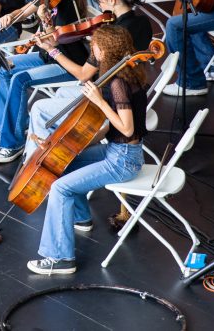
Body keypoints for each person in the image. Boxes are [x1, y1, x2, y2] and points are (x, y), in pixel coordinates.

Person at [25, 25, 148, 276]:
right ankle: (81, 218)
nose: (92, 49)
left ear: (104, 51)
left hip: (123, 160)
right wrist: (59, 145)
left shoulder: (118, 83)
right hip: (118, 151)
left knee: (60, 187)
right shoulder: (126, 73)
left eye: (95, 46)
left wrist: (99, 102)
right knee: (63, 163)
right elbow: (109, 132)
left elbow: (126, 129)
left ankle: (60, 258)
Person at [24, 0, 155, 157]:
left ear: (112, 0)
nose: (100, 7)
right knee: (61, 93)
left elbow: (84, 74)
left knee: (38, 109)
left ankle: (39, 159)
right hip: (133, 92)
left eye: (100, 2)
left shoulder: (112, 34)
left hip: (110, 96)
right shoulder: (143, 22)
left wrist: (53, 51)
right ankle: (55, 144)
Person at [0, 0, 90, 164]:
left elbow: (60, 41)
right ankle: (11, 128)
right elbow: (29, 8)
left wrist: (46, 23)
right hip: (48, 55)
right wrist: (12, 16)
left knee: (19, 79)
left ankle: (12, 143)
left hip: (67, 61)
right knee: (1, 67)